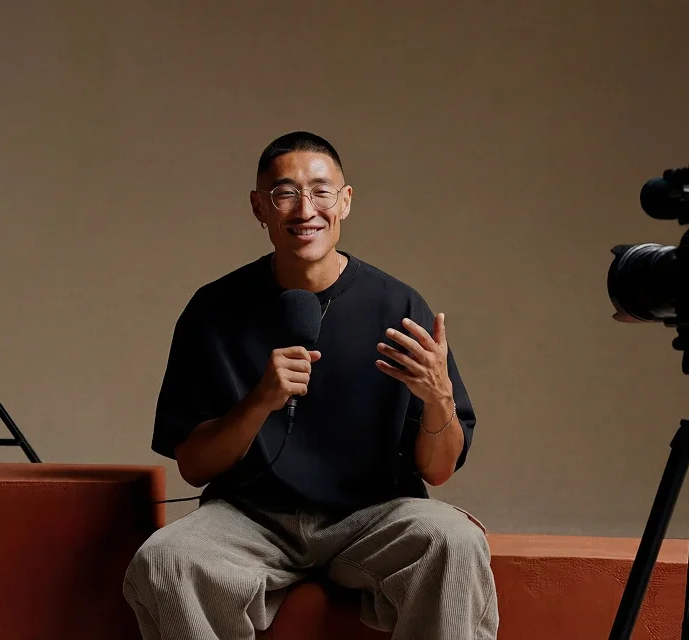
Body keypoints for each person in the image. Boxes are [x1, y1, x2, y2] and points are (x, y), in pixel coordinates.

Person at [123, 131, 499, 639]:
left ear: (345, 202)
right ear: (259, 207)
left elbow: (439, 469)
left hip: (374, 516)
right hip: (250, 518)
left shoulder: (398, 306)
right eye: (285, 193)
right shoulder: (213, 310)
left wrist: (439, 398)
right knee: (167, 560)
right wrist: (260, 401)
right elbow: (194, 467)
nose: (306, 210)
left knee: (455, 540)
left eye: (321, 191)